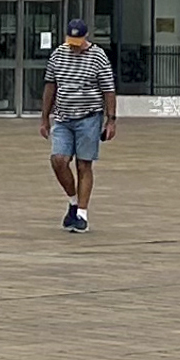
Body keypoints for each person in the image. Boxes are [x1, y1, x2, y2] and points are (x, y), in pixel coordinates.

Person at [39, 17, 116, 232]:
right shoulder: (58, 54)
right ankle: (73, 201)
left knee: (84, 164)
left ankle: (82, 213)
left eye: (78, 41)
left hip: (89, 117)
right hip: (63, 117)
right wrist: (45, 117)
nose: (74, 46)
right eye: (71, 41)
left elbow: (108, 89)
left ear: (85, 37)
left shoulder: (98, 56)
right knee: (59, 160)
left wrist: (111, 120)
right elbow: (50, 86)